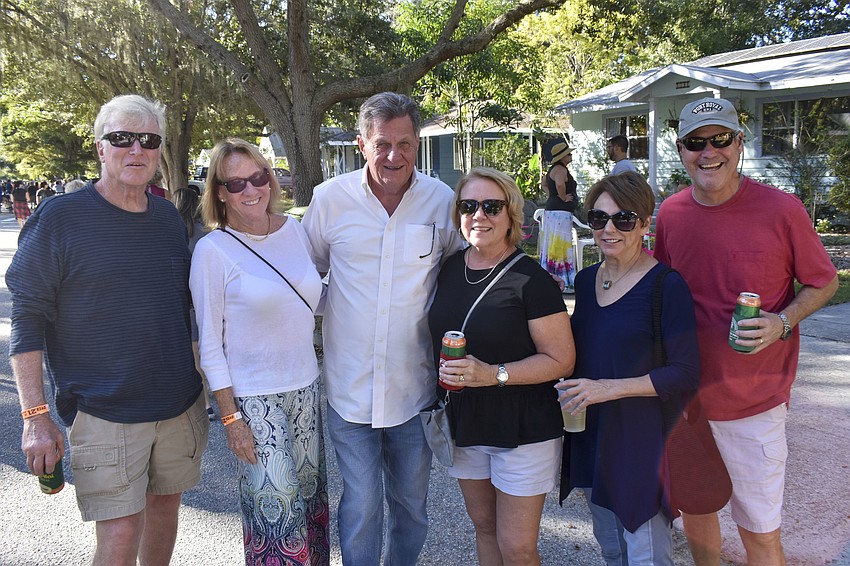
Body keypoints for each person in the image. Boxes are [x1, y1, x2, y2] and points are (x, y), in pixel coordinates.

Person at [6, 94, 208, 566]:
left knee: (165, 515)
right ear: (100, 149)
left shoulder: (166, 220)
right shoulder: (59, 218)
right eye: (121, 139)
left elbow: (183, 313)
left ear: (159, 151)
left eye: (148, 140)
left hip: (178, 407)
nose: (135, 149)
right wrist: (35, 416)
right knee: (118, 539)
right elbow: (27, 319)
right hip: (106, 413)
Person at [654, 97, 839, 565]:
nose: (708, 152)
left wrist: (782, 322)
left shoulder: (782, 209)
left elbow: (824, 281)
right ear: (681, 150)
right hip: (689, 400)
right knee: (697, 515)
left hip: (754, 403)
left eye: (720, 140)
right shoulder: (671, 214)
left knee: (758, 532)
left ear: (739, 143)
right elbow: (661, 294)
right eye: (696, 142)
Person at [301, 92, 464, 565]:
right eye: (382, 143)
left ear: (418, 144)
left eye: (406, 144)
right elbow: (304, 276)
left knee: (412, 509)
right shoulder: (330, 200)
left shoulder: (441, 201)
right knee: (363, 504)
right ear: (361, 144)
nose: (394, 156)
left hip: (414, 391)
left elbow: (461, 273)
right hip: (350, 389)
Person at [189, 138, 329, 565]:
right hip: (254, 402)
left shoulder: (294, 230)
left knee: (309, 510)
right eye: (235, 183)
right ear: (218, 192)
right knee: (277, 521)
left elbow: (314, 300)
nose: (251, 190)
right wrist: (230, 418)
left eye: (258, 177)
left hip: (306, 392)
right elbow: (210, 345)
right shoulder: (212, 251)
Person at [430, 167, 575, 565]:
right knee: (484, 527)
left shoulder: (533, 281)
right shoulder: (448, 270)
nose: (480, 215)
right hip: (467, 421)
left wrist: (492, 375)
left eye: (492, 206)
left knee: (518, 546)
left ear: (512, 215)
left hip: (523, 427)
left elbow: (561, 359)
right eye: (469, 205)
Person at [555, 171, 700, 565]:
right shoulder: (585, 282)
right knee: (611, 550)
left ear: (644, 223)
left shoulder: (666, 286)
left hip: (641, 442)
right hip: (591, 436)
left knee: (646, 555)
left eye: (623, 219)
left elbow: (686, 372)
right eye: (599, 219)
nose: (609, 229)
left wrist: (609, 388)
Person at [173, 187, 215, 420]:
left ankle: (206, 403)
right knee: (214, 351)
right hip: (206, 298)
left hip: (184, 301)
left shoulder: (172, 233)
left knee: (195, 356)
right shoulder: (207, 233)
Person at [540, 141, 578, 292]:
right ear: (562, 157)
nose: (571, 155)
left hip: (552, 211)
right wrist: (561, 197)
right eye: (568, 153)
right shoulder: (561, 170)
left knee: (552, 243)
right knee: (561, 243)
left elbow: (543, 183)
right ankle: (564, 277)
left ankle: (551, 274)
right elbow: (560, 184)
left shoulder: (552, 170)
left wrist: (552, 196)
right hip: (560, 213)